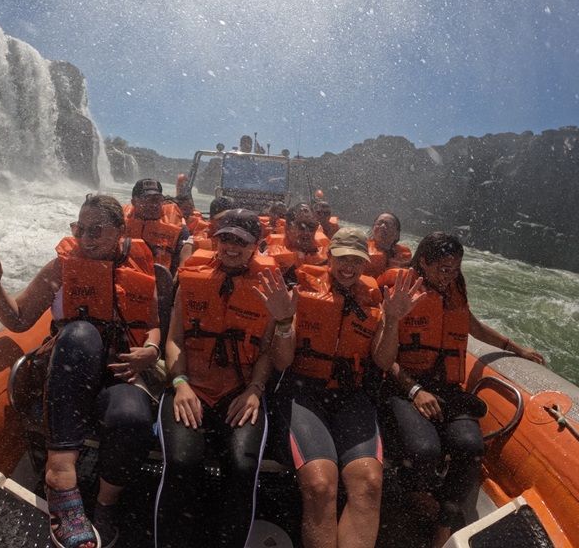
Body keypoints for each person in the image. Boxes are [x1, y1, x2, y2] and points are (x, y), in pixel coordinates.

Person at [0, 194, 163, 548]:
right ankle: (60, 476)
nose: (86, 238)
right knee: (80, 332)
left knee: (131, 419)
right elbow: (18, 318)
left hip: (120, 372)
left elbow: (151, 323)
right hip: (71, 369)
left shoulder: (140, 264)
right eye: (80, 229)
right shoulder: (63, 265)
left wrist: (150, 350)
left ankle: (105, 505)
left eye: (96, 230)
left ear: (120, 231)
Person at [262, 228, 425, 548]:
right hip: (304, 393)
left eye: (356, 260)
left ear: (365, 263)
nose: (349, 267)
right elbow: (281, 362)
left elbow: (381, 360)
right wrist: (283, 322)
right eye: (342, 258)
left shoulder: (376, 298)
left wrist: (392, 320)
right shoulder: (301, 292)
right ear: (329, 257)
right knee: (321, 484)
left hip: (351, 396)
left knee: (369, 483)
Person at [380, 232, 545, 547]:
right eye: (444, 268)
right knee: (424, 449)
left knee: (470, 446)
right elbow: (384, 358)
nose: (450, 275)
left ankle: (444, 523)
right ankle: (417, 494)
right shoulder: (401, 290)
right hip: (405, 385)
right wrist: (415, 390)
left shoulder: (454, 289)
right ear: (423, 263)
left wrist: (515, 348)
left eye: (455, 268)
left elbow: (472, 324)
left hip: (446, 387)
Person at [154, 209, 291, 548]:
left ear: (255, 245)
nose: (231, 247)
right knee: (182, 462)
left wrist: (256, 391)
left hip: (240, 392)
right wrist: (180, 383)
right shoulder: (192, 278)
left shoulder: (272, 288)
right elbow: (174, 341)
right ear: (215, 241)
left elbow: (269, 355)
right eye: (225, 239)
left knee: (243, 470)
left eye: (240, 242)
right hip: (190, 386)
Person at [123, 178, 189, 276]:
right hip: (125, 281)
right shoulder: (118, 223)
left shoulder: (178, 230)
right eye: (146, 199)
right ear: (133, 202)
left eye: (157, 200)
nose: (153, 205)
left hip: (159, 284)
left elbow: (179, 266)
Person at [263, 203, 328, 285]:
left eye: (311, 226)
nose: (307, 232)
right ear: (287, 228)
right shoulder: (269, 254)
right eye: (302, 226)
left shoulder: (328, 257)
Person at [364, 212, 412, 279]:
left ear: (397, 234)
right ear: (373, 229)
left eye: (389, 224)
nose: (383, 226)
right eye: (379, 223)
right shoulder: (361, 247)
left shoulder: (404, 255)